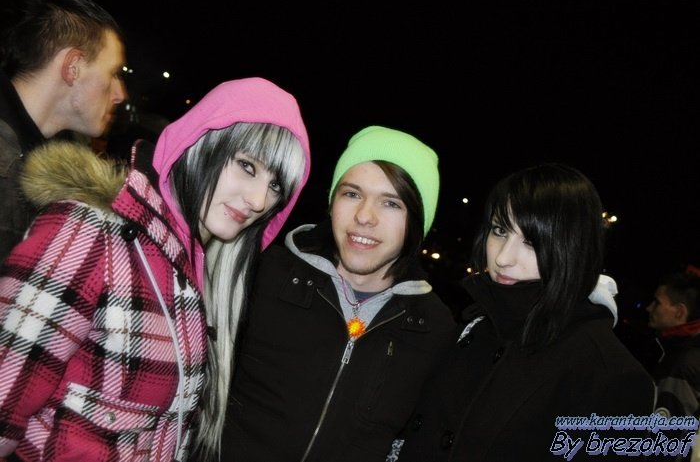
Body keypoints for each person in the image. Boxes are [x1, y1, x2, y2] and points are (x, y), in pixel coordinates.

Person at [0, 77, 310, 462]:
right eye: (247, 166)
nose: (259, 200)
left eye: (276, 186)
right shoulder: (93, 233)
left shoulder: (196, 276)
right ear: (199, 143)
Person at [220, 125, 456, 462]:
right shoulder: (263, 273)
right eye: (352, 194)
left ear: (417, 223)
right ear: (332, 202)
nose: (364, 216)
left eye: (391, 203)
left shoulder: (434, 328)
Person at [394, 163, 656, 461]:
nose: (503, 258)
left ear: (573, 248)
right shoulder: (475, 326)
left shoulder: (610, 375)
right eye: (500, 230)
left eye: (531, 241)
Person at [0, 0, 127, 263]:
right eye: (113, 73)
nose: (120, 94)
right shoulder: (6, 164)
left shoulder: (59, 167)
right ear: (73, 67)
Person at [645, 270, 700, 462]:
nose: (649, 308)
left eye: (657, 302)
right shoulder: (688, 354)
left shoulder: (682, 365)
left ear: (680, 312)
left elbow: (665, 445)